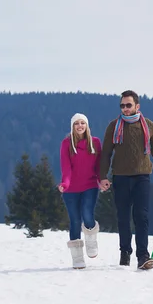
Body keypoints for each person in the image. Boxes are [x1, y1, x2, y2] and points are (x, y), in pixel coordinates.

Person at [99, 90, 153, 270]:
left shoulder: (149, 126)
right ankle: (125, 253)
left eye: (128, 105)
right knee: (123, 217)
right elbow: (106, 154)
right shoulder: (114, 126)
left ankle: (143, 255)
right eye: (122, 105)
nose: (125, 109)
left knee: (141, 216)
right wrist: (103, 176)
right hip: (120, 177)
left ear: (137, 106)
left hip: (142, 176)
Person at [58, 113, 102, 269]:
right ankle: (77, 258)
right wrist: (65, 183)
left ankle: (91, 241)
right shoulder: (66, 144)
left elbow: (98, 166)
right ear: (72, 126)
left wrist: (101, 180)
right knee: (75, 220)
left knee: (87, 214)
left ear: (87, 125)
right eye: (76, 123)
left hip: (90, 186)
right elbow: (66, 168)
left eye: (82, 122)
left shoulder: (95, 143)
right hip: (71, 190)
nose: (80, 126)